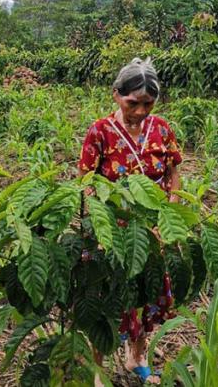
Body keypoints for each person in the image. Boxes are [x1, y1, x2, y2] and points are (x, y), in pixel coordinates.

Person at [79, 58, 182, 385]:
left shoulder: (162, 128)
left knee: (146, 293)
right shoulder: (101, 131)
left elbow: (174, 172)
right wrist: (98, 227)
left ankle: (136, 356)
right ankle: (99, 369)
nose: (140, 110)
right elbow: (86, 181)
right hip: (114, 231)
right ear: (116, 95)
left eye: (148, 103)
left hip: (151, 232)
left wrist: (169, 214)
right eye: (132, 102)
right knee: (107, 299)